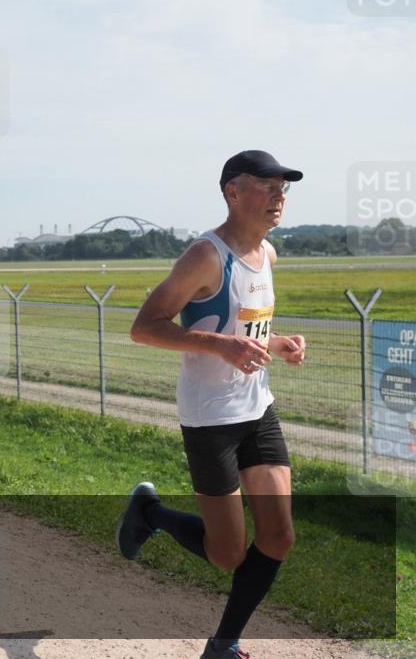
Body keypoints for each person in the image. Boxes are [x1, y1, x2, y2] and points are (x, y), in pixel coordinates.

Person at [119, 151, 307, 659]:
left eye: (283, 189)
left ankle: (222, 643)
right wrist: (219, 347)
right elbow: (144, 327)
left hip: (257, 410)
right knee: (226, 554)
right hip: (211, 419)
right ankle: (149, 511)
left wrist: (277, 344)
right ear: (233, 192)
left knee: (279, 535)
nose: (278, 197)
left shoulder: (266, 255)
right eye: (267, 186)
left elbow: (244, 328)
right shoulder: (206, 256)